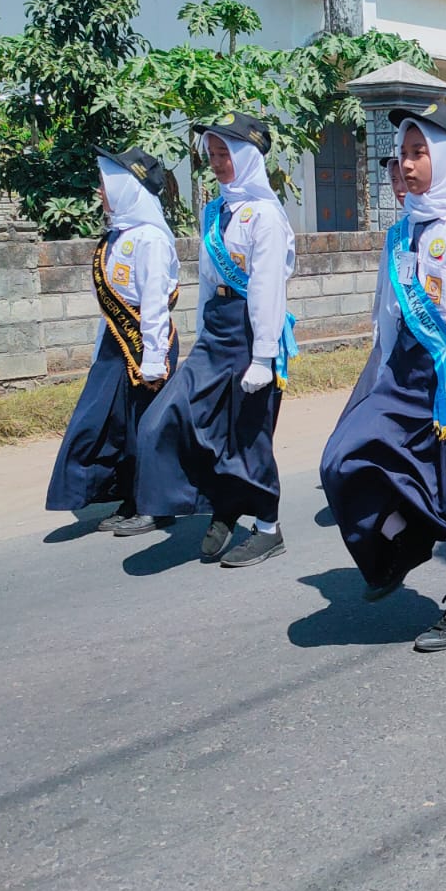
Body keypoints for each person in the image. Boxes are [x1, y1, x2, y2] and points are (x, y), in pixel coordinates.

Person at [320, 103, 446, 649]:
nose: (407, 163)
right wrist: (378, 369)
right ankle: (400, 547)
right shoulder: (401, 233)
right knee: (346, 458)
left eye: (419, 152)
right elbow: (387, 309)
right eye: (403, 153)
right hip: (401, 375)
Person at [133, 113, 296, 566]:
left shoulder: (265, 215)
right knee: (174, 419)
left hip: (251, 333)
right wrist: (203, 333)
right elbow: (207, 277)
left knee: (247, 434)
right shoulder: (214, 210)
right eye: (213, 154)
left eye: (226, 153)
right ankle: (220, 503)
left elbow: (267, 288)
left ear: (247, 157)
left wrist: (263, 356)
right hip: (216, 331)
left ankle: (267, 526)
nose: (219, 162)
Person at [47, 147, 180, 534]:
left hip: (145, 345)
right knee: (113, 425)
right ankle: (131, 496)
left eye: (105, 185)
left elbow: (154, 304)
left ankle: (155, 504)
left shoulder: (151, 239)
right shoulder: (118, 235)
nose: (100, 192)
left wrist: (153, 360)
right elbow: (110, 307)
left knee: (145, 426)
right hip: (115, 344)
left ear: (126, 187)